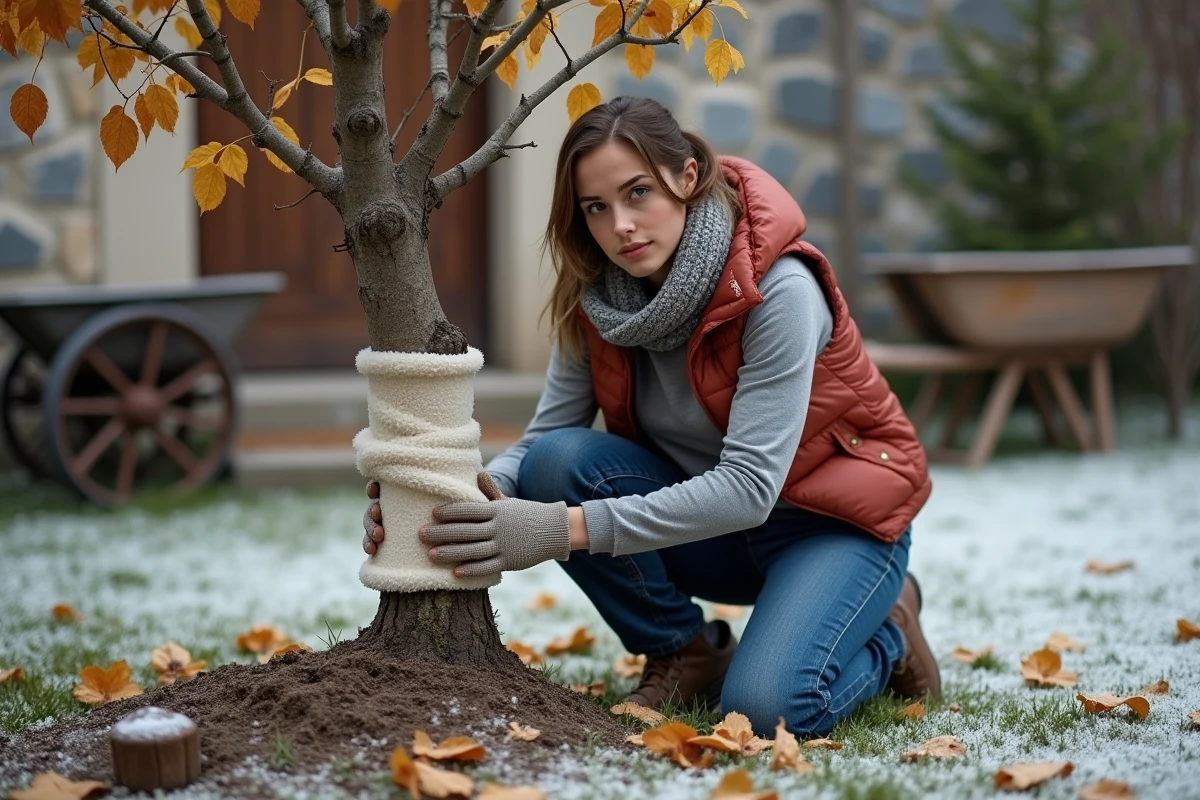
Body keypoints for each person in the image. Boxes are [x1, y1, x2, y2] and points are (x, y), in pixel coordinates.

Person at [362, 96, 939, 738]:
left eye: (639, 193)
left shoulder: (781, 291)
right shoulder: (601, 300)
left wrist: (560, 530)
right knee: (560, 463)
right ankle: (686, 649)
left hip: (835, 527)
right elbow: (546, 441)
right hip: (716, 537)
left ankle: (890, 631)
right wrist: (455, 502)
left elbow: (750, 489)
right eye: (597, 208)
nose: (622, 227)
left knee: (769, 712)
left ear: (688, 178)